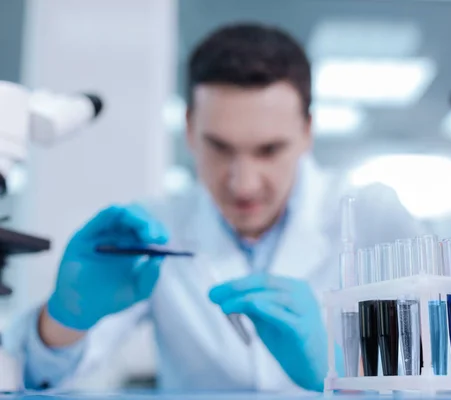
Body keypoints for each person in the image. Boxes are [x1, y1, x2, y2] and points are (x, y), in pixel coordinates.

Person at [4, 23, 424, 392]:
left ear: (307, 131)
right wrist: (65, 318)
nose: (242, 182)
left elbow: (449, 381)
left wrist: (339, 372)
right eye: (219, 147)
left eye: (269, 150)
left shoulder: (373, 219)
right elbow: (42, 379)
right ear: (189, 129)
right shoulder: (154, 229)